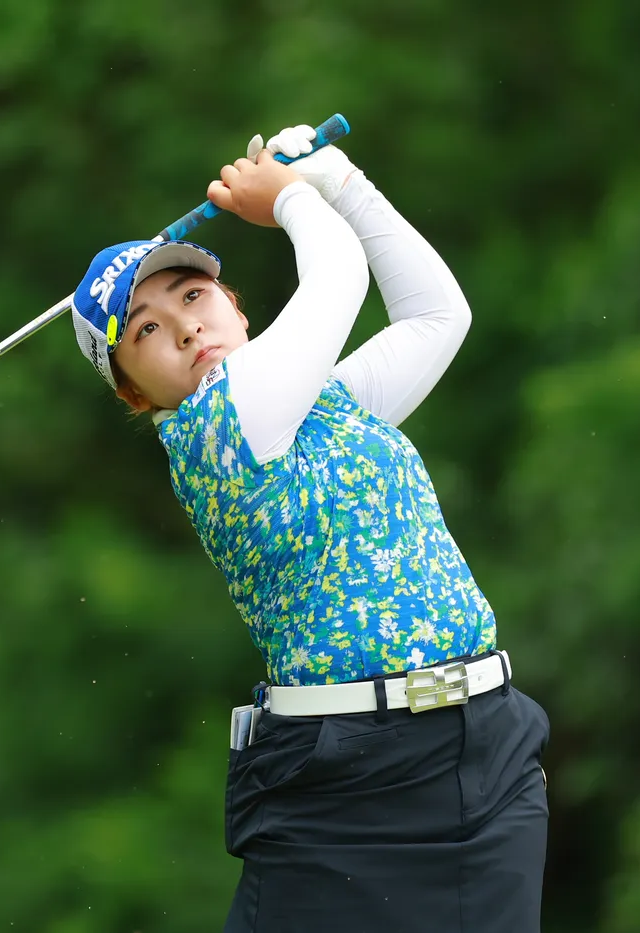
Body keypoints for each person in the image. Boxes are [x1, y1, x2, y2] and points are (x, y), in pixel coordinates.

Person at [70, 125, 551, 932]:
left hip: (487, 752)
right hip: (347, 781)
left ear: (233, 305)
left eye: (191, 296)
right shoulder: (216, 431)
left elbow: (437, 315)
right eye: (144, 329)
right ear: (134, 392)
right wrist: (292, 198)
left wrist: (345, 183)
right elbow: (339, 276)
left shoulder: (327, 406)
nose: (183, 328)